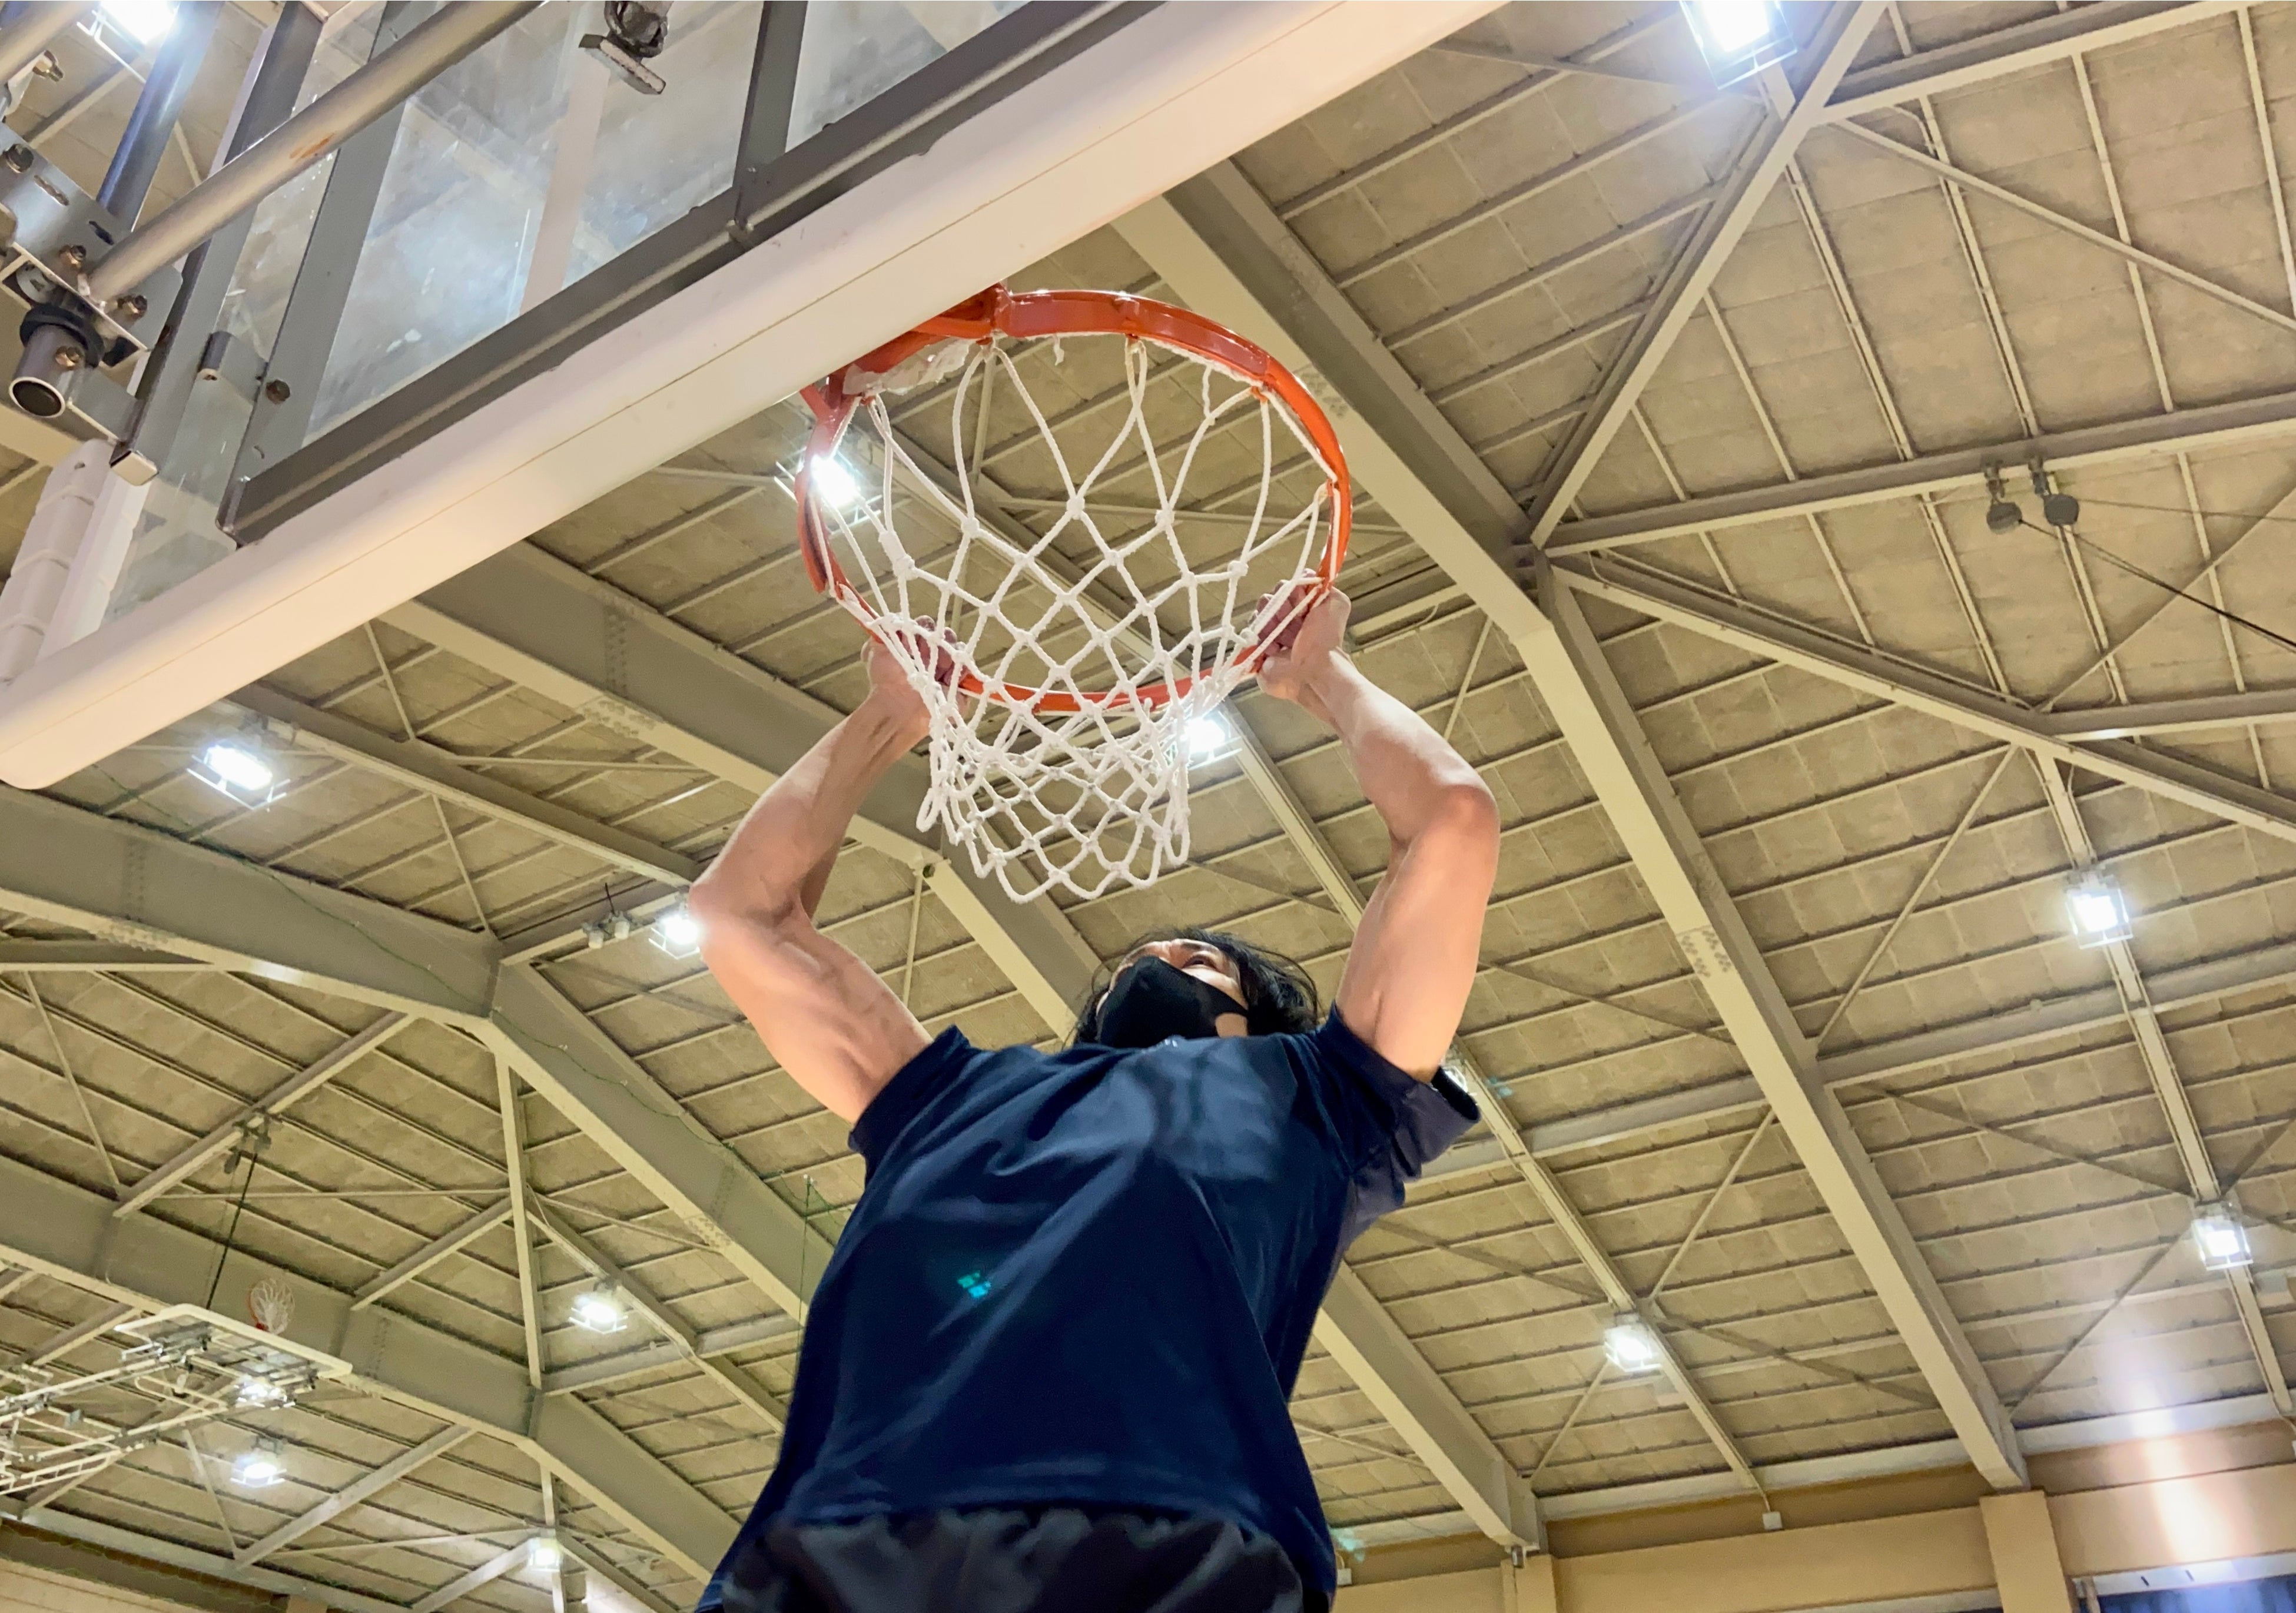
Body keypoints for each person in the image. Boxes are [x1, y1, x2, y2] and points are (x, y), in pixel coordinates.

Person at [688, 590, 1500, 1613]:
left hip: (1168, 1557)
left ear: (1257, 1019)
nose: (1163, 955)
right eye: (1141, 956)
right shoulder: (949, 1094)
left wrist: (1319, 677)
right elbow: (739, 916)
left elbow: (1452, 823)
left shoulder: (1327, 1100)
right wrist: (891, 715)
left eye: (1202, 959)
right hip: (838, 1554)